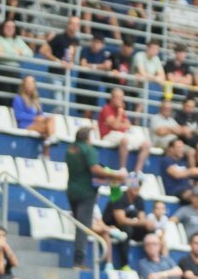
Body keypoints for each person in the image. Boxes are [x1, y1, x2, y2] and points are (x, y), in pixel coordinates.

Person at [66, 127, 126, 268]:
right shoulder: (89, 150)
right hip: (86, 193)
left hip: (72, 190)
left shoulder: (70, 150)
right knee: (83, 227)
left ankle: (79, 259)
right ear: (88, 138)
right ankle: (79, 261)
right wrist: (116, 175)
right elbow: (95, 169)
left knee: (79, 226)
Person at [102, 177, 156, 269]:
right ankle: (124, 264)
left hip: (129, 225)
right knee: (127, 231)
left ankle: (154, 261)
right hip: (112, 226)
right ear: (128, 186)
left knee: (150, 232)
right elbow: (121, 220)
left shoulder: (139, 199)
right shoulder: (119, 197)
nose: (137, 189)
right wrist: (141, 222)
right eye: (134, 186)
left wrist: (147, 224)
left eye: (138, 186)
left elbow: (142, 219)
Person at [98, 87, 151, 173]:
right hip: (108, 135)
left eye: (121, 98)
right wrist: (119, 114)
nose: (120, 100)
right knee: (124, 140)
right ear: (112, 98)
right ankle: (123, 169)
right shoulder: (106, 109)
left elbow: (128, 125)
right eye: (118, 98)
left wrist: (119, 124)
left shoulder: (121, 110)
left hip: (122, 134)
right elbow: (115, 126)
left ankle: (137, 171)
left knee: (146, 144)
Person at [12, 76, 56, 158]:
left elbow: (40, 114)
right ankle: (46, 153)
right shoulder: (18, 98)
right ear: (23, 85)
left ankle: (49, 141)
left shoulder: (36, 100)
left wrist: (44, 118)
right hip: (26, 124)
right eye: (28, 83)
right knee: (47, 129)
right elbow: (19, 115)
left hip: (37, 123)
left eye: (32, 83)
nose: (30, 85)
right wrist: (34, 118)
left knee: (51, 119)